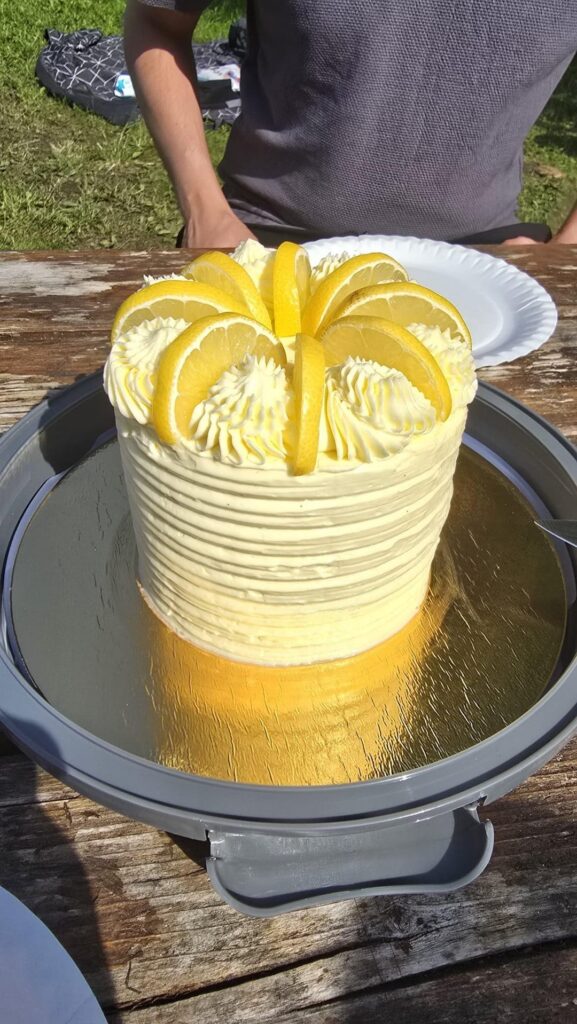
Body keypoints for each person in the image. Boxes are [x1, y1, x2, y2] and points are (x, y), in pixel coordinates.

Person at [124, 1, 577, 248]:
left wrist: (568, 253)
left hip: (485, 255)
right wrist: (205, 210)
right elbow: (158, 20)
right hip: (268, 241)